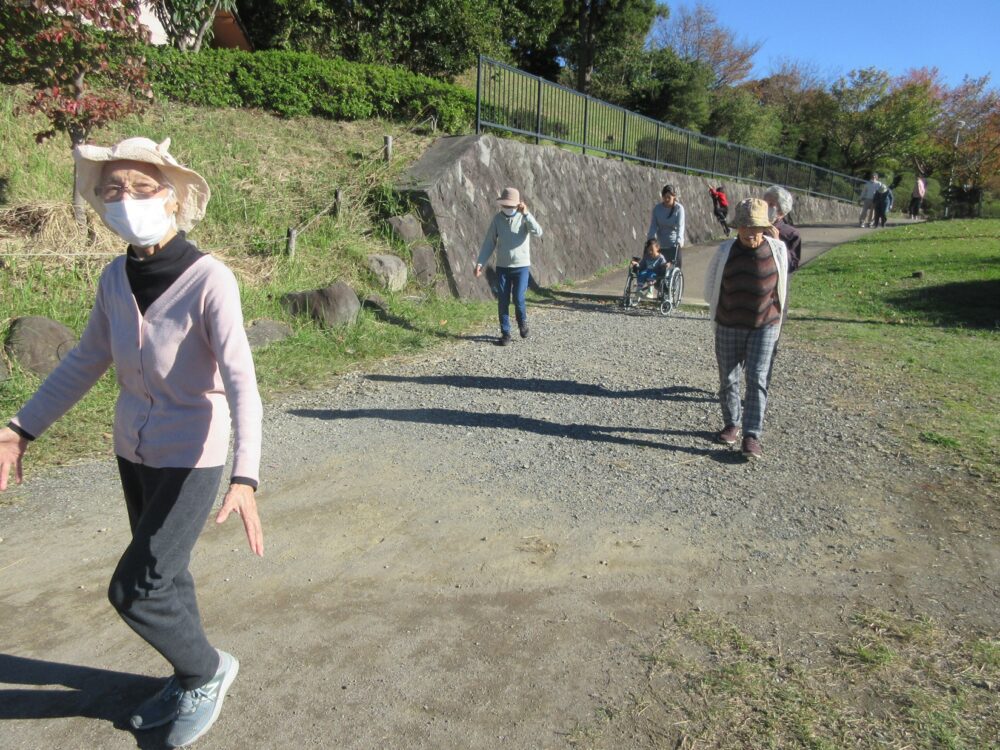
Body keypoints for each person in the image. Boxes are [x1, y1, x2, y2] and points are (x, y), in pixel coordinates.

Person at [0, 137, 263, 748]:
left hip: (191, 458)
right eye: (113, 189)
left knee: (136, 588)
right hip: (133, 452)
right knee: (166, 577)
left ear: (173, 201)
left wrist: (244, 477)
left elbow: (242, 383)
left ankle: (206, 671)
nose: (126, 200)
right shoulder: (114, 277)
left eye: (142, 189)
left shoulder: (209, 279)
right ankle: (190, 669)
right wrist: (19, 429)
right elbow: (84, 361)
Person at [704, 198, 788, 460]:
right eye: (746, 226)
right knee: (728, 377)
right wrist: (718, 312)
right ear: (737, 227)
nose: (751, 232)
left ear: (766, 227)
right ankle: (732, 424)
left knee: (757, 377)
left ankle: (752, 435)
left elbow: (783, 285)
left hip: (765, 324)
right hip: (729, 321)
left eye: (757, 227)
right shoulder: (725, 251)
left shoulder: (778, 250)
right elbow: (710, 287)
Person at [474, 187, 543, 346]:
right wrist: (480, 263)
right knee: (503, 301)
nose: (508, 208)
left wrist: (527, 214)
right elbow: (489, 243)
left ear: (518, 205)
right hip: (503, 268)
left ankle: (522, 322)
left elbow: (538, 232)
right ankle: (505, 333)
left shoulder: (524, 218)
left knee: (519, 298)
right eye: (505, 205)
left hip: (521, 267)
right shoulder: (497, 220)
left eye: (511, 206)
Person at [762, 185, 801, 273]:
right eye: (764, 203)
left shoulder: (791, 234)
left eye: (771, 204)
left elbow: (792, 266)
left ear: (782, 211)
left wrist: (778, 244)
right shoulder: (752, 227)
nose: (766, 207)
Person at [647, 184, 685, 268]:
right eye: (664, 197)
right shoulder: (657, 209)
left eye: (669, 197)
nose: (666, 199)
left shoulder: (679, 209)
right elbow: (653, 226)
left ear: (674, 196)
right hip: (660, 245)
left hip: (674, 246)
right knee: (658, 272)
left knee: (675, 271)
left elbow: (680, 227)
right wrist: (650, 239)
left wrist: (679, 241)